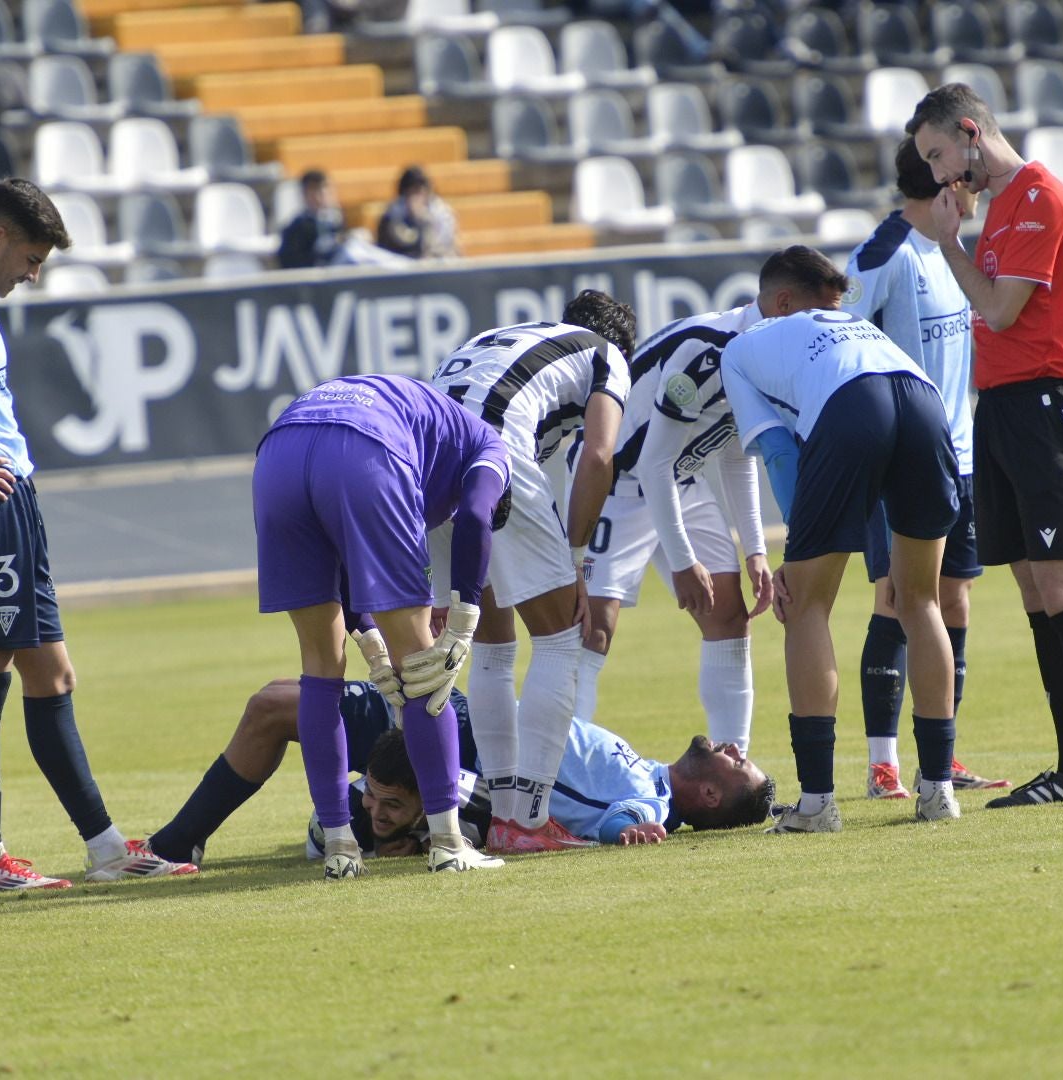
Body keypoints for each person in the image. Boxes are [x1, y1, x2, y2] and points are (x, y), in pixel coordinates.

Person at [0, 178, 199, 893]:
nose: (32, 273)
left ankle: (107, 849)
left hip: (8, 505)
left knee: (53, 676)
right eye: (29, 258)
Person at [909, 82, 1063, 806]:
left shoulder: (1036, 197)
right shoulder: (1005, 207)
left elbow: (1000, 309)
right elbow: (1026, 311)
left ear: (972, 132)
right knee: (1034, 589)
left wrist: (948, 246)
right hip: (1003, 407)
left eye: (940, 154)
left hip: (1039, 408)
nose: (941, 175)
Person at [722, 245, 965, 828]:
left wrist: (795, 551)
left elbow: (780, 454)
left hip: (852, 405)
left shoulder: (742, 347)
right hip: (922, 399)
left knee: (807, 607)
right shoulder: (856, 324)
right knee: (921, 601)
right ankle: (937, 791)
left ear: (778, 302)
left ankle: (816, 803)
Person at [252, 373, 513, 878]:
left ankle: (339, 847)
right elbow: (477, 519)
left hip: (278, 452)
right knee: (424, 665)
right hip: (366, 448)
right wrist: (463, 622)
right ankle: (448, 843)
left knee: (320, 668)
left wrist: (369, 638)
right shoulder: (492, 446)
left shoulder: (433, 425)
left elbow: (342, 552)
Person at [429, 290, 635, 853]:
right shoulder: (605, 354)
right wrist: (575, 560)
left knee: (491, 646)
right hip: (492, 451)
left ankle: (500, 816)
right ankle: (528, 819)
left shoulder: (507, 339)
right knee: (562, 639)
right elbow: (598, 456)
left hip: (426, 461)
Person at [148, 679, 774, 863]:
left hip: (468, 737)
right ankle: (354, 816)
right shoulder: (651, 771)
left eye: (738, 763)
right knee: (282, 698)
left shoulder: (649, 801)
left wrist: (626, 835)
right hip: (476, 726)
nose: (733, 747)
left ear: (713, 796)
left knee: (275, 709)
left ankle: (177, 845)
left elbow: (627, 824)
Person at [844, 137, 1006, 800]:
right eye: (970, 184)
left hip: (961, 456)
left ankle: (943, 749)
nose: (976, 194)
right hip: (900, 464)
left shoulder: (950, 251)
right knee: (895, 599)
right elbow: (836, 344)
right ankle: (883, 761)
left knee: (955, 599)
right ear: (945, 187)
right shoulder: (880, 256)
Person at [570, 300, 774, 752]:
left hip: (680, 478)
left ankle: (731, 766)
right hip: (618, 485)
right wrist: (683, 562)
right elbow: (649, 464)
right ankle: (560, 778)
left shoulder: (759, 349)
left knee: (729, 617)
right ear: (785, 303)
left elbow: (735, 448)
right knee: (591, 631)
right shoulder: (710, 349)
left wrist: (755, 548)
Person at [376, 166, 459, 259]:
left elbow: (444, 244)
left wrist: (424, 220)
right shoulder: (392, 214)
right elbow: (388, 246)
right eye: (413, 191)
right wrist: (413, 218)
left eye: (420, 190)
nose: (417, 196)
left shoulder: (441, 211)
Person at [277, 170, 347, 270]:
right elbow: (291, 261)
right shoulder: (298, 227)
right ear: (305, 194)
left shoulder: (336, 219)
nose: (322, 195)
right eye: (315, 190)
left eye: (326, 188)